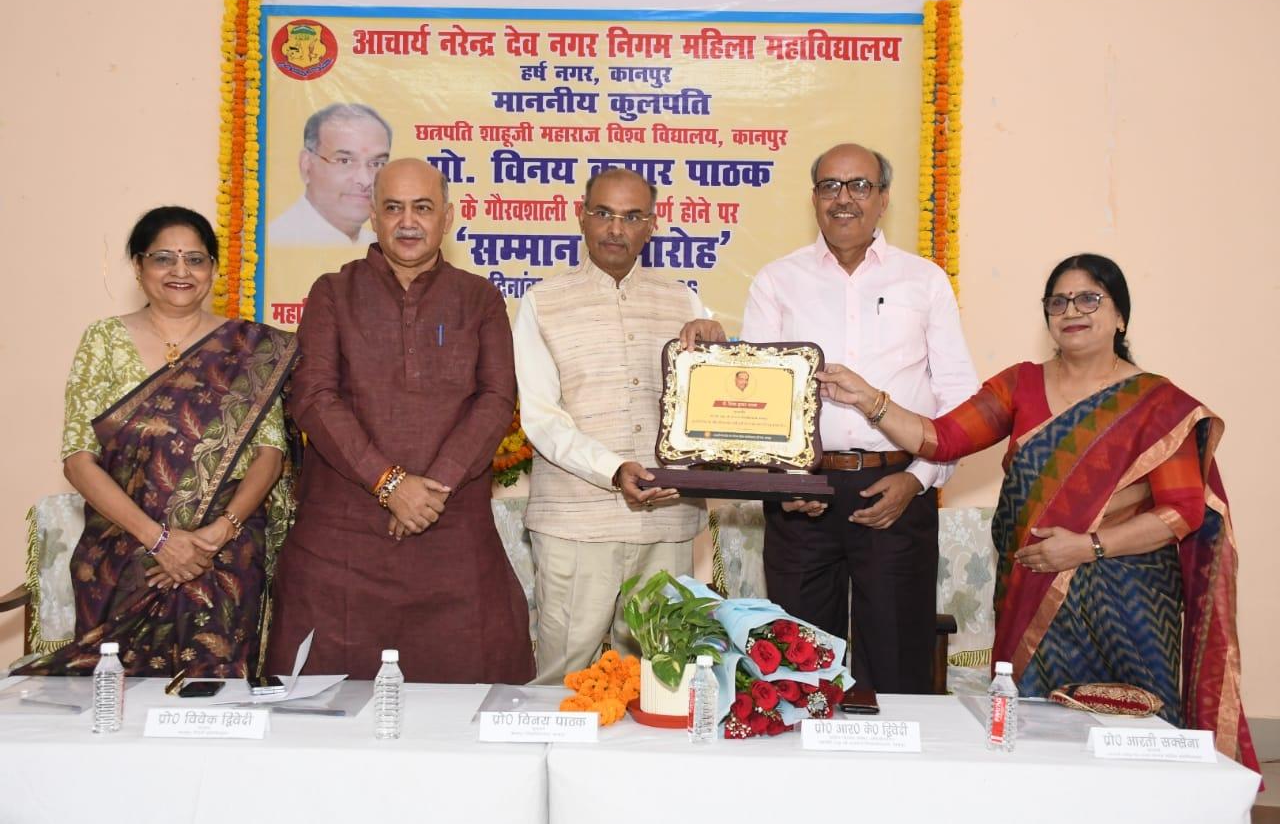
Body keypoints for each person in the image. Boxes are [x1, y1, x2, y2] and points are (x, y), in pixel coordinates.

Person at [814, 253, 1259, 770]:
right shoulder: (1020, 385)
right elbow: (942, 438)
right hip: (1033, 592)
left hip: (1130, 604)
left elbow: (1181, 512)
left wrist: (1089, 547)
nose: (1072, 311)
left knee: (1133, 743)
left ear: (1120, 316)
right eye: (1058, 301)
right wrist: (869, 399)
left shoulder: (1158, 404)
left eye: (1089, 299)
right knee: (1032, 744)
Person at [683, 142, 978, 694]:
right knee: (797, 668)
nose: (844, 198)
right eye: (830, 186)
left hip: (896, 490)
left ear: (883, 197)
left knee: (896, 665)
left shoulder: (924, 281)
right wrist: (784, 482)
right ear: (814, 198)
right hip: (803, 496)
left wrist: (918, 480)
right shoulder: (778, 280)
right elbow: (759, 400)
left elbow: (959, 401)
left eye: (860, 185)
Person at [267, 158, 534, 683]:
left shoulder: (479, 298)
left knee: (467, 695)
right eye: (393, 208)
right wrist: (390, 484)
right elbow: (314, 397)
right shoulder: (332, 293)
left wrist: (431, 490)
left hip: (450, 534)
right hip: (345, 541)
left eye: (422, 208)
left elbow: (496, 398)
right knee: (322, 704)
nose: (407, 222)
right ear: (372, 216)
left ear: (446, 218)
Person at [21, 206, 297, 679]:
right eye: (164, 258)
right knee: (114, 693)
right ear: (138, 266)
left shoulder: (249, 351)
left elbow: (270, 455)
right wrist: (159, 540)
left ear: (213, 268)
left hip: (223, 549)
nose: (180, 271)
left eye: (195, 259)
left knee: (213, 692)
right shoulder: (104, 341)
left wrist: (220, 532)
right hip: (125, 548)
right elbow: (78, 458)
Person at [514, 167, 706, 684]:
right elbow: (542, 417)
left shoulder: (685, 302)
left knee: (662, 679)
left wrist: (717, 348)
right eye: (603, 213)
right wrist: (613, 468)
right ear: (581, 216)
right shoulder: (542, 302)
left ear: (653, 225)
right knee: (564, 679)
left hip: (667, 520)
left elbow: (707, 411)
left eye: (632, 216)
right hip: (576, 525)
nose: (616, 229)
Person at [267, 102, 392, 247]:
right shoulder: (274, 243)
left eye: (377, 164)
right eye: (345, 161)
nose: (365, 180)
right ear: (306, 164)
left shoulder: (383, 246)